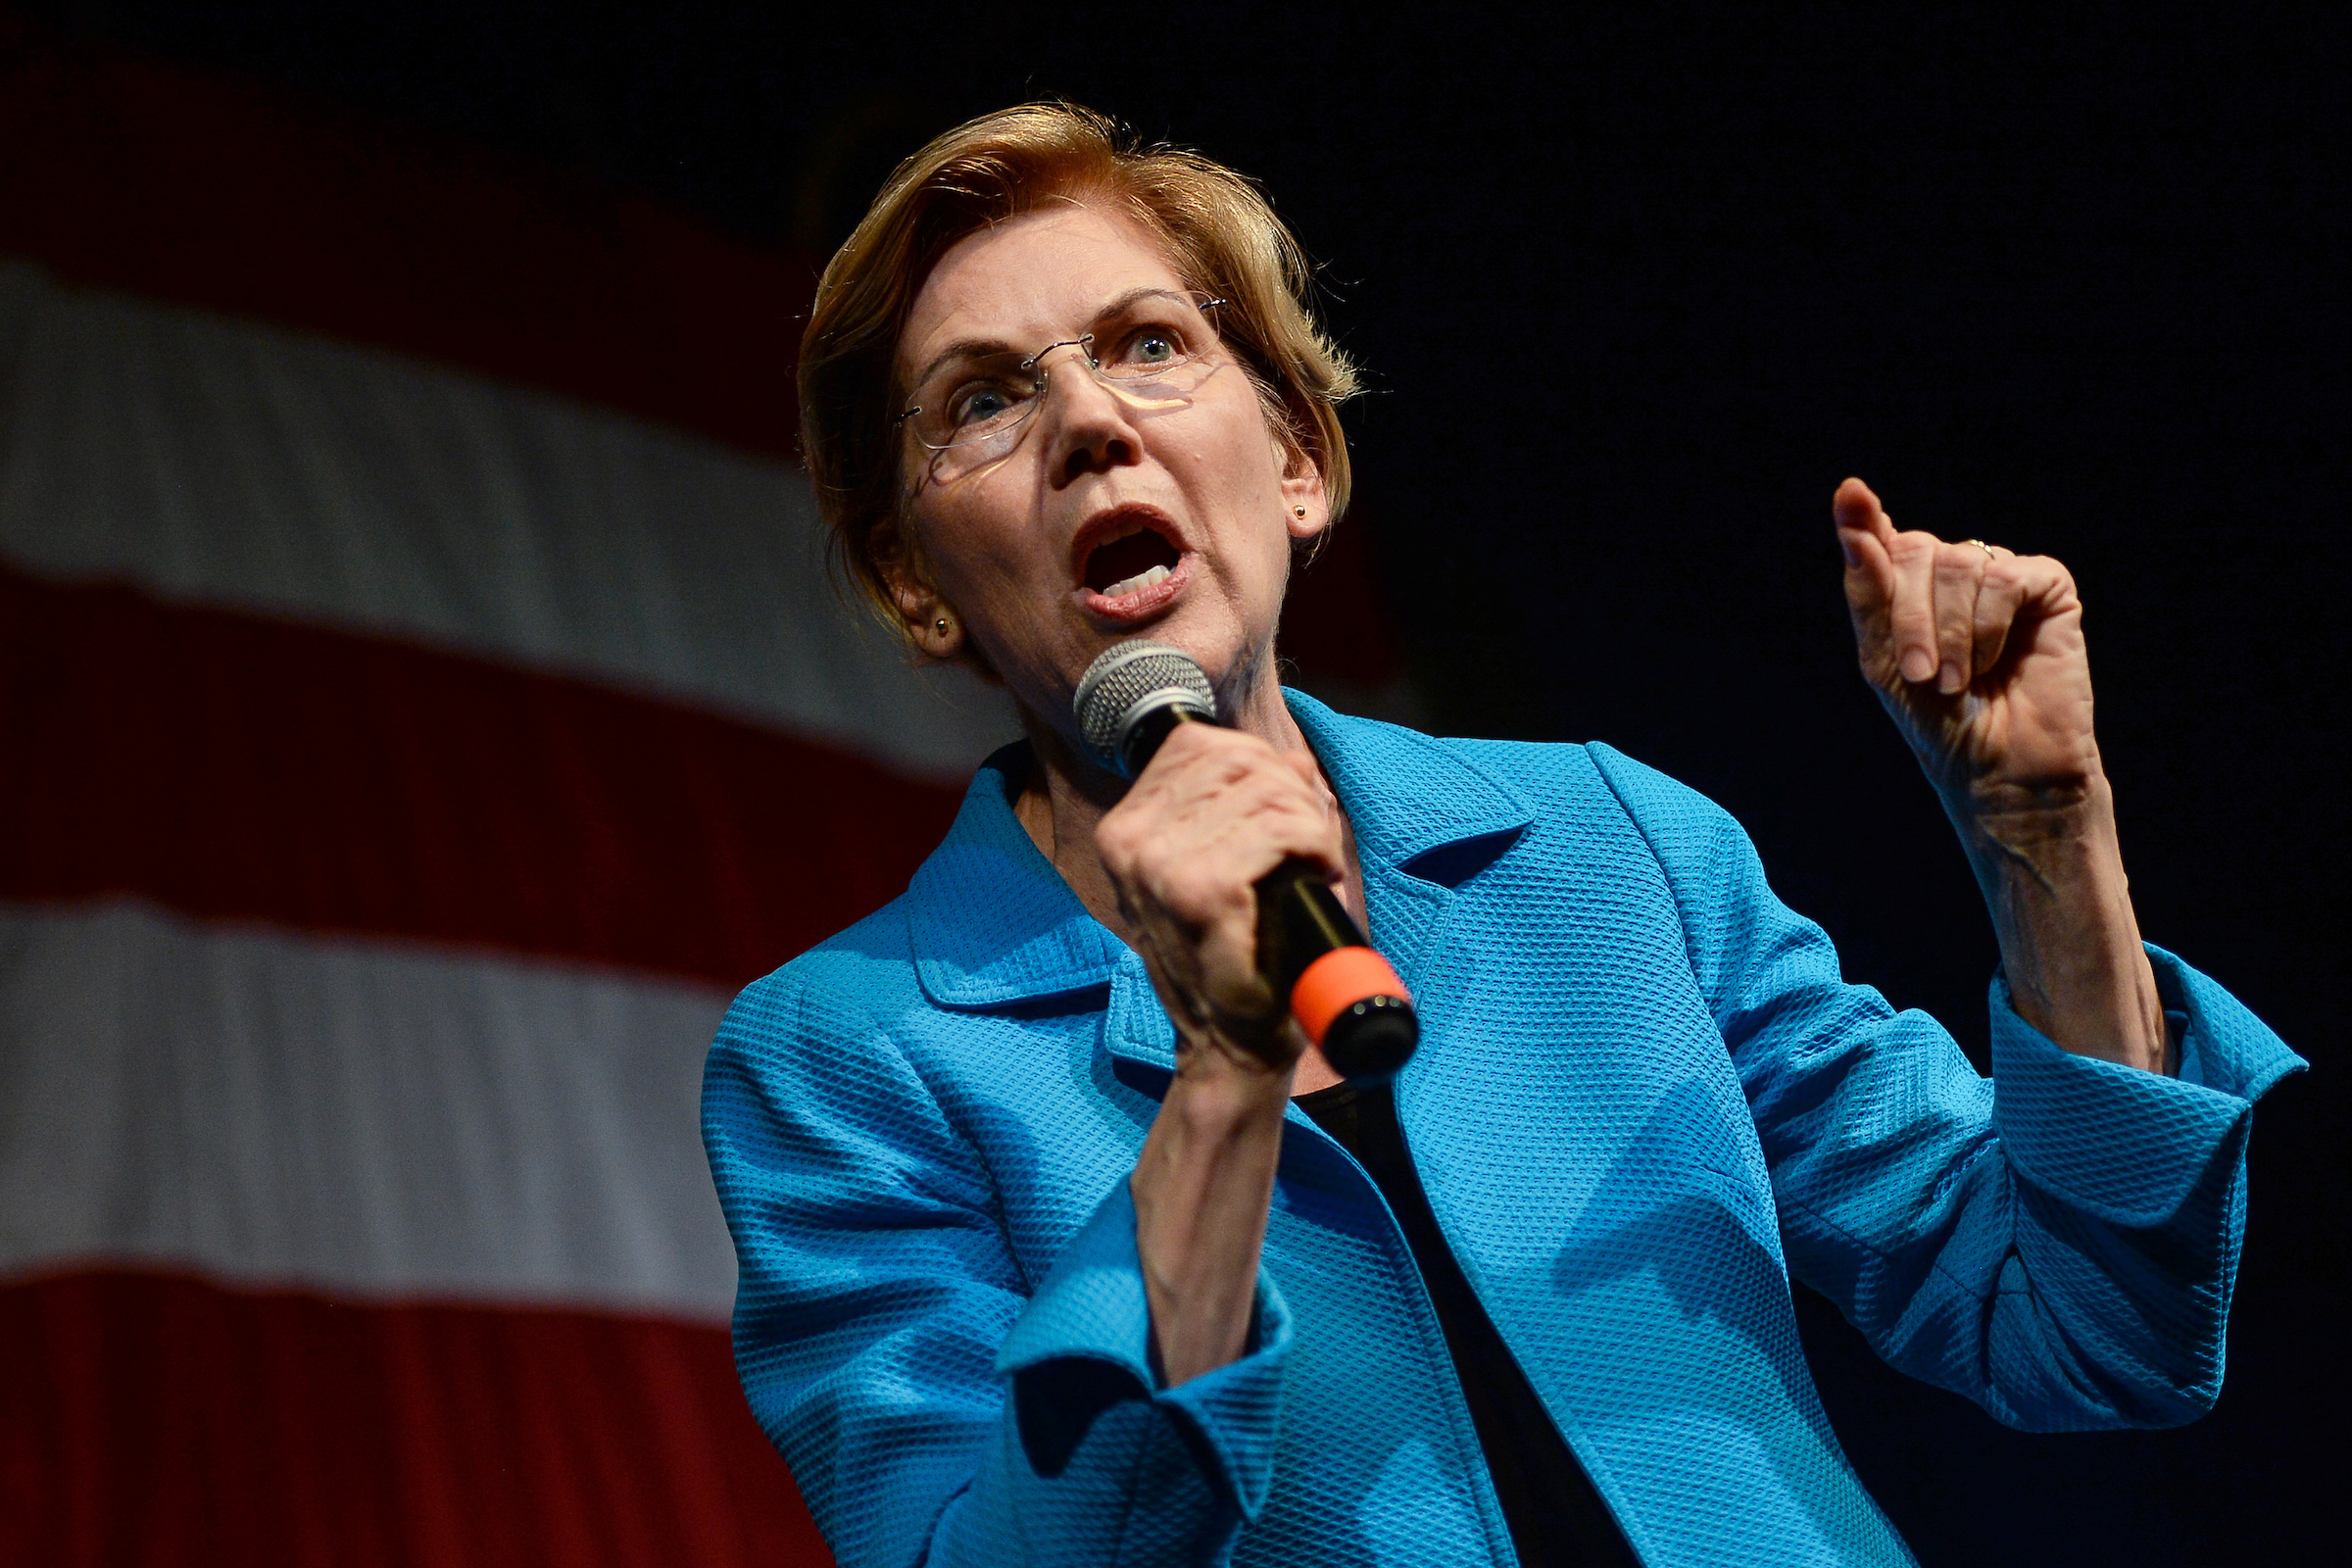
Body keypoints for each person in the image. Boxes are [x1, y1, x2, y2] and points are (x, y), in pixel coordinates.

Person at [701, 103, 2301, 1568]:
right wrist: (1224, 1086)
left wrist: (2045, 838)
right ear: (917, 582)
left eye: (1148, 345)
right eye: (982, 400)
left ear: (1299, 464)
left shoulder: (1608, 846)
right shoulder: (844, 1063)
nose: (1087, 422)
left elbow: (2096, 1333)